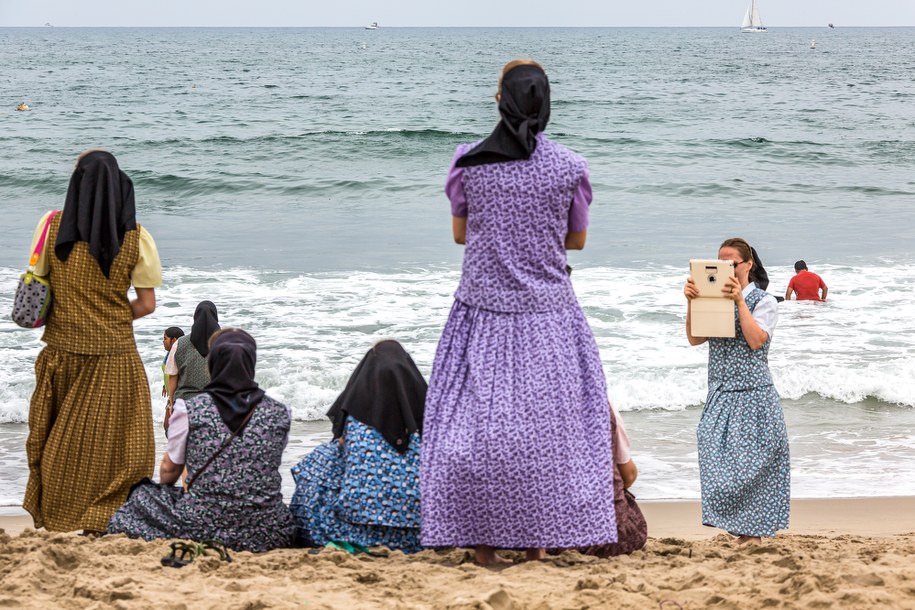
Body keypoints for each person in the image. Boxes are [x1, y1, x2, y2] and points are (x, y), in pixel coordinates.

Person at [420, 60, 617, 566]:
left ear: (500, 102)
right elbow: (576, 241)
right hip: (548, 313)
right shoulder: (570, 166)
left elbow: (462, 234)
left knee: (476, 429)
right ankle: (535, 543)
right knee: (547, 431)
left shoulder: (469, 161)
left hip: (481, 310)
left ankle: (483, 545)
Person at [24, 149, 161, 533]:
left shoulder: (51, 226)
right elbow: (147, 305)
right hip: (116, 354)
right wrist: (110, 315)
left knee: (59, 443)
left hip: (63, 353)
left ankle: (58, 514)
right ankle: (108, 516)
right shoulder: (136, 237)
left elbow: (38, 284)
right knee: (118, 447)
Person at [107, 328, 296, 552]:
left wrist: (169, 492)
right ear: (251, 363)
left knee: (141, 496)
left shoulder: (189, 409)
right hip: (268, 528)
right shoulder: (279, 412)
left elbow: (169, 471)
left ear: (213, 363)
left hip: (203, 524)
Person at [684, 237, 790, 546]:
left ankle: (751, 534)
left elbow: (756, 340)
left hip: (754, 393)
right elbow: (695, 338)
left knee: (753, 466)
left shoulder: (764, 301)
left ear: (748, 265)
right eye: (720, 263)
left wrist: (739, 301)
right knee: (714, 456)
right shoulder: (711, 299)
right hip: (721, 391)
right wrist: (692, 301)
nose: (726, 268)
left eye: (731, 263)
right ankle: (742, 528)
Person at [289, 340, 426, 553]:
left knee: (321, 458)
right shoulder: (430, 419)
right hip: (421, 534)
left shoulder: (355, 419)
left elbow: (339, 449)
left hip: (356, 533)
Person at [165, 301, 219, 407]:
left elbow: (173, 376)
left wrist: (171, 403)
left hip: (184, 404)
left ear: (195, 318)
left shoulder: (179, 343)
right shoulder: (225, 343)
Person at [161, 326, 184, 432]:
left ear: (174, 340)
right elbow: (168, 372)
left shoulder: (179, 355)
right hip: (171, 395)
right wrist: (165, 385)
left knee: (169, 426)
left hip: (177, 396)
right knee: (167, 426)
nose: (163, 341)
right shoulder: (169, 355)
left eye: (165, 338)